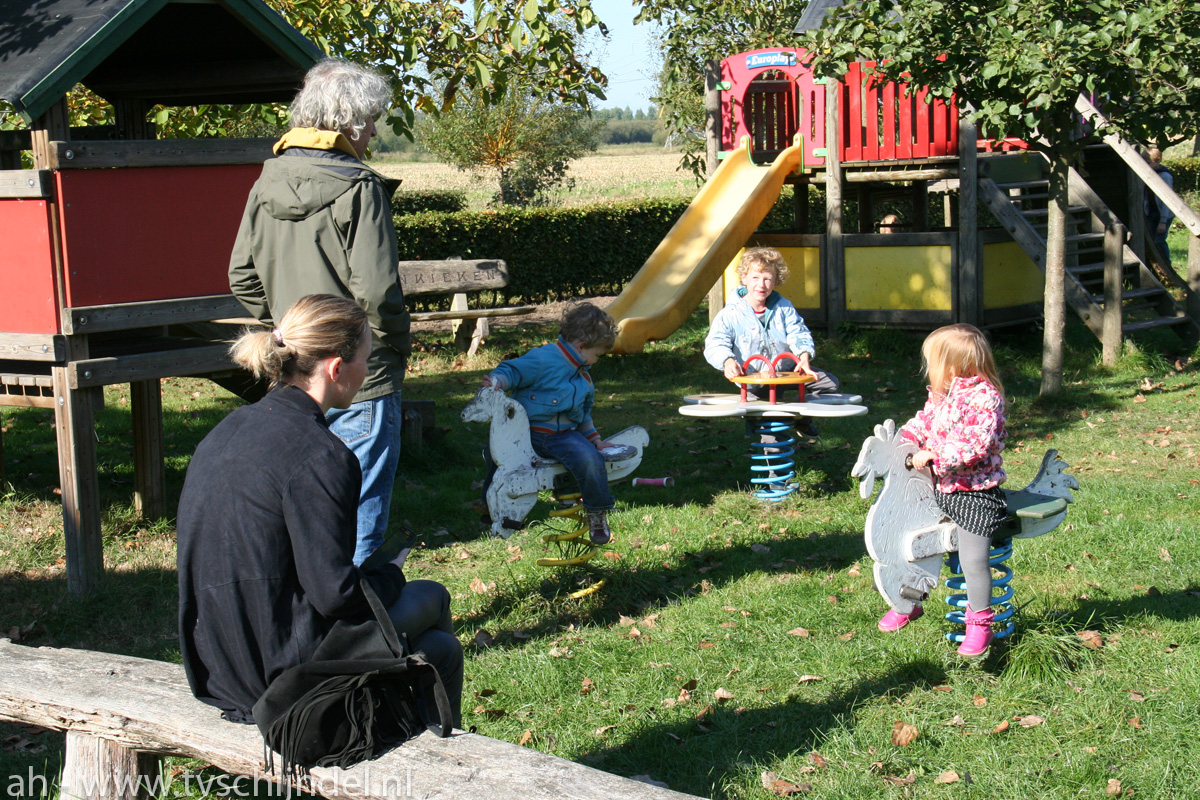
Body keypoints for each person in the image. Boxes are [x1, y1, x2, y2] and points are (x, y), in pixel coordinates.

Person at [177, 295, 462, 726]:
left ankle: (401, 724)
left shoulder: (226, 430)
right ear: (336, 368)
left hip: (215, 663)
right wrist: (389, 574)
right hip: (278, 673)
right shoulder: (322, 456)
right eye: (366, 358)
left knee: (439, 648)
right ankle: (424, 749)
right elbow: (336, 595)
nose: (368, 371)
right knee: (433, 600)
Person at [229, 58, 409, 566]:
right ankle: (358, 634)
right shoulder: (360, 187)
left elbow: (241, 275)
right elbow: (377, 290)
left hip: (293, 372)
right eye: (371, 118)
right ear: (348, 121)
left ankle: (306, 625)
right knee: (359, 511)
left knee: (299, 510)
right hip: (358, 372)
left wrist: (288, 329)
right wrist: (395, 342)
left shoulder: (265, 182)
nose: (374, 130)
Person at [877, 323, 1008, 658]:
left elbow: (978, 443)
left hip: (976, 493)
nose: (928, 369)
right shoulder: (943, 394)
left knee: (972, 559)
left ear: (951, 365)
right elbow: (925, 421)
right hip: (940, 489)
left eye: (931, 362)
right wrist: (907, 438)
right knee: (911, 540)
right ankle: (911, 600)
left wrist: (936, 455)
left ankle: (980, 624)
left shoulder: (985, 397)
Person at [480, 303, 620, 546]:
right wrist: (497, 381)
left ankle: (597, 512)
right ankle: (491, 506)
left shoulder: (583, 375)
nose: (596, 361)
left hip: (563, 436)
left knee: (590, 458)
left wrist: (595, 440)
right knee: (498, 458)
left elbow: (583, 415)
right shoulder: (543, 359)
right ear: (582, 346)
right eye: (597, 354)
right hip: (528, 434)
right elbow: (513, 370)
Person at [704, 246, 840, 443]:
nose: (762, 284)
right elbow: (716, 343)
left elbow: (798, 331)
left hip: (787, 372)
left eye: (768, 279)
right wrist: (727, 361)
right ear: (744, 277)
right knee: (771, 430)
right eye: (756, 278)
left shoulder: (783, 307)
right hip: (754, 378)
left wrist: (803, 357)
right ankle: (774, 471)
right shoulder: (731, 313)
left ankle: (799, 417)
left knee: (829, 383)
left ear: (776, 281)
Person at [1144, 147, 1175, 267]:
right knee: (1151, 241)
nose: (1145, 166)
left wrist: (1163, 221)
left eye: (1148, 163)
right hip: (1152, 212)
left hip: (1164, 213)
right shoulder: (1147, 174)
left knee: (1159, 240)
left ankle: (1166, 266)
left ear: (1157, 161)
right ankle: (1155, 266)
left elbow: (1167, 201)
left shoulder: (1165, 176)